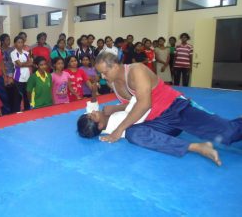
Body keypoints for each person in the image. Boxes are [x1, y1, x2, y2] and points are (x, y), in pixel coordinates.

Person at [94, 52, 242, 166]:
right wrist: (116, 108)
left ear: (114, 66)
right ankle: (196, 147)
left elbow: (144, 103)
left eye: (104, 72)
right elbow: (133, 103)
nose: (102, 76)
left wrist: (118, 129)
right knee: (133, 133)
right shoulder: (113, 84)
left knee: (229, 133)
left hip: (176, 109)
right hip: (158, 121)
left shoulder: (136, 70)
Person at [11, 35, 33, 111]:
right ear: (15, 44)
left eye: (21, 42)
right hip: (18, 79)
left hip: (27, 78)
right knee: (18, 97)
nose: (20, 44)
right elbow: (19, 64)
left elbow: (31, 63)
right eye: (18, 42)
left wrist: (22, 64)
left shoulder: (26, 53)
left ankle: (27, 111)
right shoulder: (13, 53)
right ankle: (16, 112)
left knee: (27, 96)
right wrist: (24, 64)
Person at [1, 33, 21, 113]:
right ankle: (6, 110)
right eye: (7, 40)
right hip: (2, 73)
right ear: (2, 41)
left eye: (9, 39)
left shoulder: (12, 50)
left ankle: (14, 109)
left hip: (12, 73)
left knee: (14, 92)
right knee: (5, 92)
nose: (9, 41)